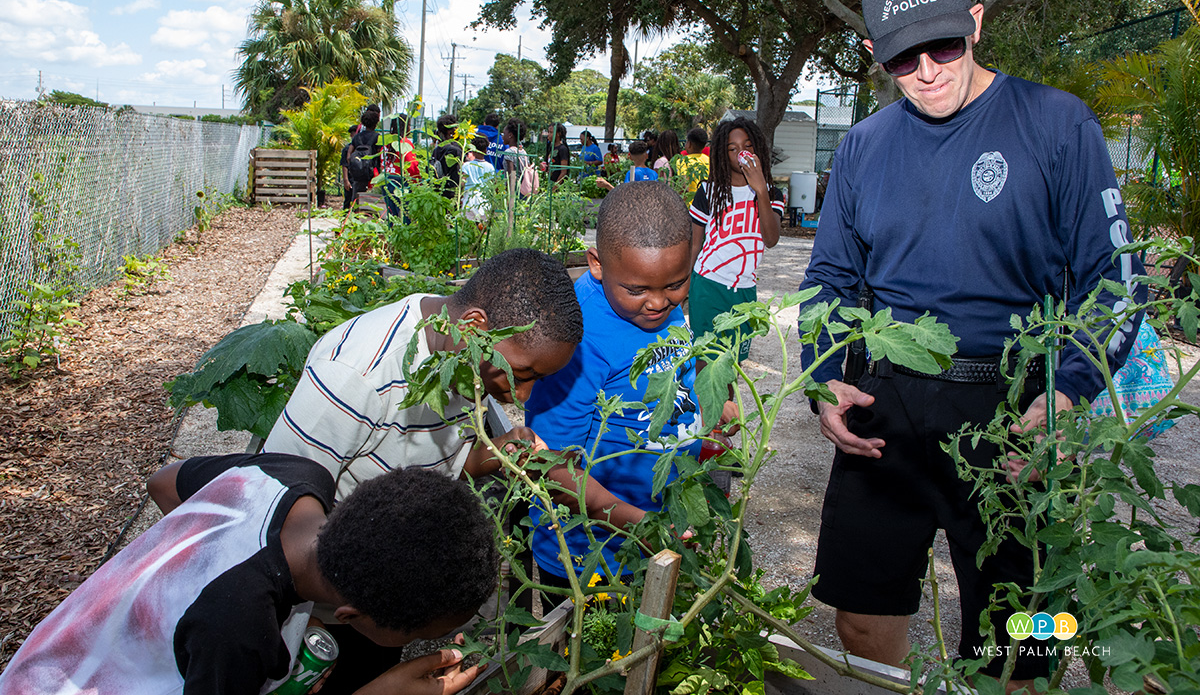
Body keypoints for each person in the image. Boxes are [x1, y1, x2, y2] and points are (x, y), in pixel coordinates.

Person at [799, 0, 1145, 688]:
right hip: (884, 407)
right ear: (873, 57)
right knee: (858, 620)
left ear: (976, 24)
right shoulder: (862, 147)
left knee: (1025, 638)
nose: (927, 70)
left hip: (1013, 411)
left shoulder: (1058, 124)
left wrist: (1070, 391)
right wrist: (825, 377)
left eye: (945, 45)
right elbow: (829, 278)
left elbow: (1114, 280)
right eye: (902, 58)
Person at [0, 453, 496, 695]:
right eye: (432, 634)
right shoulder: (233, 633)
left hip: (55, 647)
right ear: (351, 616)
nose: (447, 638)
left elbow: (163, 483)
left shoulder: (297, 477)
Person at [524, 181, 733, 590]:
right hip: (592, 554)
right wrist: (643, 525)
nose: (658, 302)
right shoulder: (575, 339)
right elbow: (550, 465)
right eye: (638, 289)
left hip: (661, 528)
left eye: (675, 284)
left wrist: (708, 408)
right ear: (597, 264)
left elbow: (678, 369)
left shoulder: (658, 311)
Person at [263, 247, 583, 501]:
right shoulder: (356, 374)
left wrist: (499, 450)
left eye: (535, 380)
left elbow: (443, 465)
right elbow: (276, 500)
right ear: (474, 327)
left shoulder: (463, 359)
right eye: (521, 374)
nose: (522, 395)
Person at [689, 116, 783, 361]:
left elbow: (771, 239)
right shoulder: (708, 191)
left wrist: (761, 189)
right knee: (706, 362)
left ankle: (728, 403)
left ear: (758, 149)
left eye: (748, 146)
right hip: (708, 285)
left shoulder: (772, 193)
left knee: (732, 366)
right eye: (733, 148)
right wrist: (683, 287)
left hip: (744, 291)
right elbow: (694, 245)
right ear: (722, 153)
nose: (742, 153)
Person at [341, 104, 381, 210]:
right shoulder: (377, 138)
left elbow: (348, 155)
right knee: (373, 202)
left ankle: (354, 222)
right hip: (373, 175)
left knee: (356, 202)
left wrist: (355, 166)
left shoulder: (357, 137)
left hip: (358, 176)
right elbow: (381, 155)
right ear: (376, 123)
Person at [381, 113, 418, 219]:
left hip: (387, 179)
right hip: (401, 181)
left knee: (392, 215)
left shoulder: (386, 143)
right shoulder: (405, 143)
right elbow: (412, 166)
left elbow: (382, 162)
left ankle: (391, 234)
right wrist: (416, 183)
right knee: (405, 216)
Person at [430, 113, 463, 193]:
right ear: (451, 131)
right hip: (453, 192)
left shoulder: (437, 149)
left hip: (439, 190)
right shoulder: (456, 149)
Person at [678, 127, 710, 195]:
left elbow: (684, 185)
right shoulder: (709, 160)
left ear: (689, 144)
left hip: (690, 202)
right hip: (706, 200)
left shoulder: (683, 161)